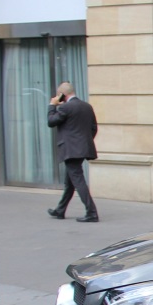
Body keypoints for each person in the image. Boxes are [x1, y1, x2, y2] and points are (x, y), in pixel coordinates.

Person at [46, 82, 99, 222]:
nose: (57, 97)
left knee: (78, 180)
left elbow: (51, 121)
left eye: (59, 95)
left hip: (70, 149)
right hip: (82, 148)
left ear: (63, 94)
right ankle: (60, 210)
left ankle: (91, 212)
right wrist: (84, 143)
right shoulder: (87, 106)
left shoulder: (65, 107)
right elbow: (94, 128)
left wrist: (52, 105)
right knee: (70, 182)